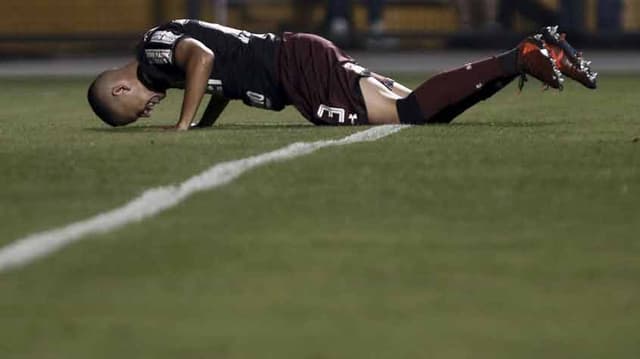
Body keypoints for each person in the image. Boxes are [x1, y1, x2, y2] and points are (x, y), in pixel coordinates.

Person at [87, 20, 597, 130]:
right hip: (297, 60)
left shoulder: (154, 48)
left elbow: (202, 59)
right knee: (422, 112)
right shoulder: (162, 71)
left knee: (409, 113)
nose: (143, 112)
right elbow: (221, 72)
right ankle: (525, 58)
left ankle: (521, 56)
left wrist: (181, 125)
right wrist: (205, 121)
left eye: (130, 111)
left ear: (120, 87)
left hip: (297, 69)